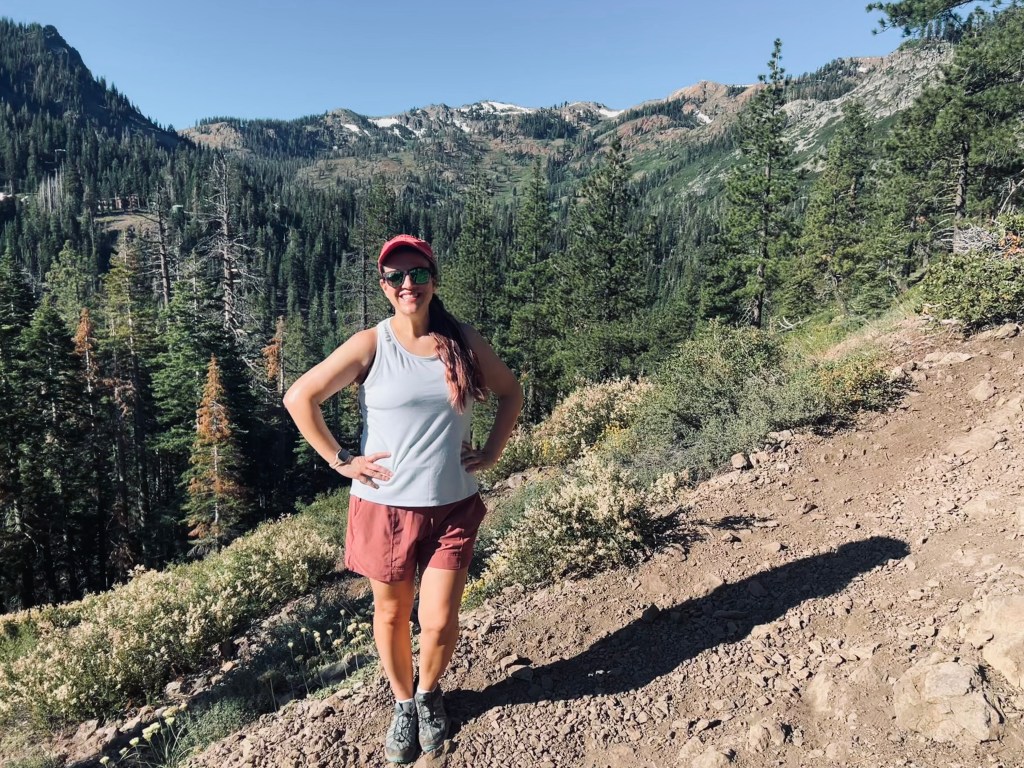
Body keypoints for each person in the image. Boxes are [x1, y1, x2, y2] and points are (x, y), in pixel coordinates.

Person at [283, 234, 523, 763]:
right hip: (386, 507)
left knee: (437, 619)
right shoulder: (372, 344)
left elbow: (511, 392)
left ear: (433, 279)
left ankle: (429, 693)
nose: (407, 284)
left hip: (453, 505)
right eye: (396, 277)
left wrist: (490, 452)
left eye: (417, 273)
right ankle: (403, 705)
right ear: (384, 287)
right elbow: (299, 397)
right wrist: (340, 458)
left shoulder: (461, 340)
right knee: (391, 616)